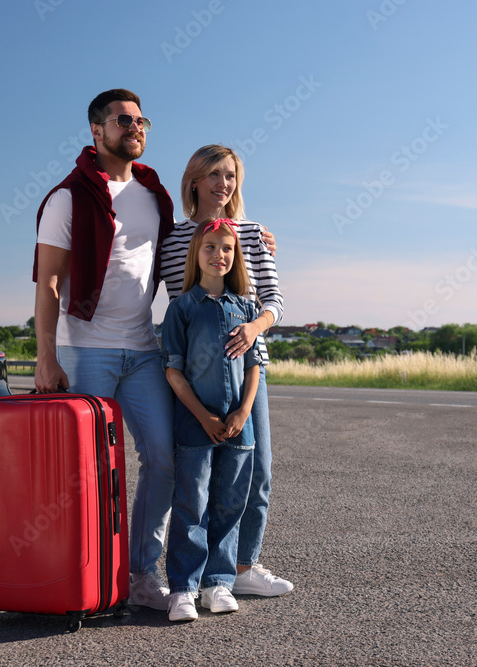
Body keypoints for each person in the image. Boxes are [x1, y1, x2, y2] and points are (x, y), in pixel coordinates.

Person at [32, 89, 178, 611]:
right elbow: (48, 283)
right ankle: (86, 578)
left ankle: (140, 574)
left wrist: (252, 236)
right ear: (97, 131)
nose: (135, 127)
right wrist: (46, 357)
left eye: (142, 120)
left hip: (143, 349)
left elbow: (197, 239)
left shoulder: (153, 193)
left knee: (163, 458)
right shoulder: (67, 197)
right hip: (86, 349)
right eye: (123, 120)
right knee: (87, 472)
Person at [159, 145, 293, 596]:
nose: (223, 183)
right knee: (194, 482)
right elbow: (175, 302)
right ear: (194, 180)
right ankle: (193, 578)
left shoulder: (253, 234)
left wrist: (254, 328)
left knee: (257, 470)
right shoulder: (174, 239)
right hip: (191, 378)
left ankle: (241, 568)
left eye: (231, 175)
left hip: (247, 373)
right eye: (214, 174)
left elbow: (274, 301)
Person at [161, 218, 262, 621]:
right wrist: (203, 416)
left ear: (234, 256)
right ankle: (183, 588)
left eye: (226, 249)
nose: (218, 255)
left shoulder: (247, 307)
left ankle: (217, 583)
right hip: (194, 425)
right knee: (192, 504)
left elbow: (256, 366)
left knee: (229, 504)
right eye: (209, 248)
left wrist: (242, 411)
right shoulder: (181, 309)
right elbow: (173, 371)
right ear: (195, 254)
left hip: (240, 426)